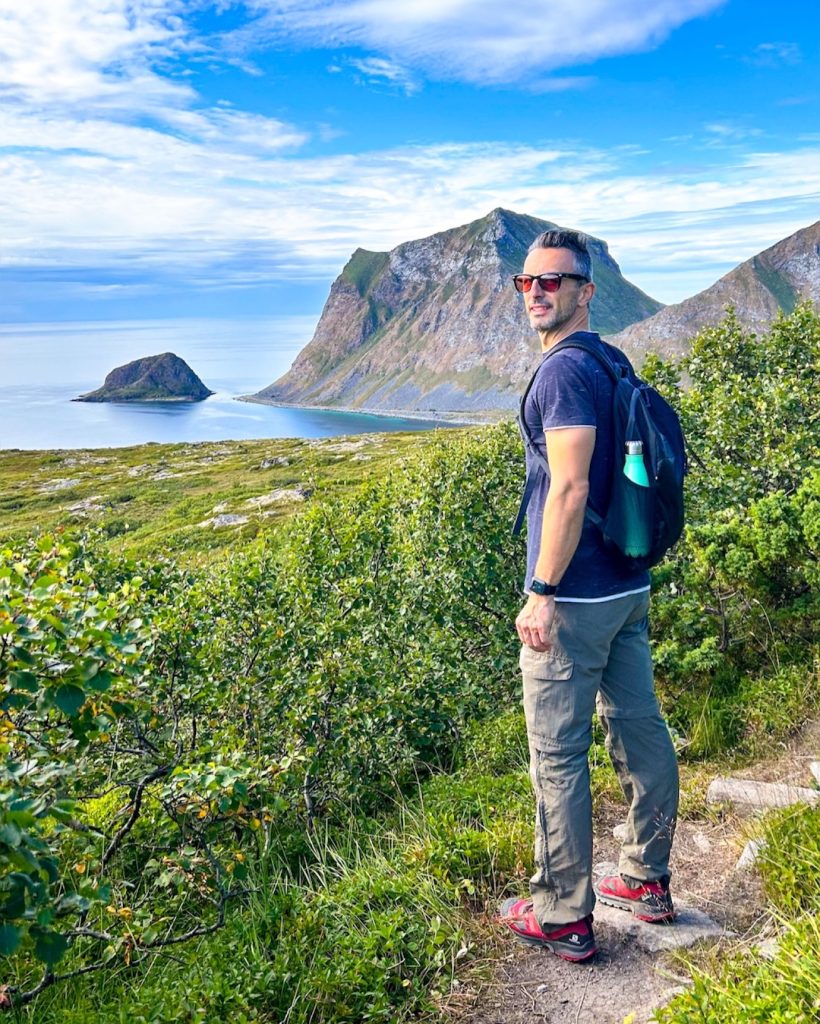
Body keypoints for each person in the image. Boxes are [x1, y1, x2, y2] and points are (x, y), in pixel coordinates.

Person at [498, 229, 680, 963]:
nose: (537, 292)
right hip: (627, 584)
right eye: (527, 282)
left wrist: (542, 589)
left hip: (575, 599)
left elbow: (571, 485)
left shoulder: (565, 373)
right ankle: (646, 877)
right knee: (640, 726)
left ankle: (563, 913)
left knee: (558, 754)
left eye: (554, 280)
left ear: (584, 290)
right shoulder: (611, 359)